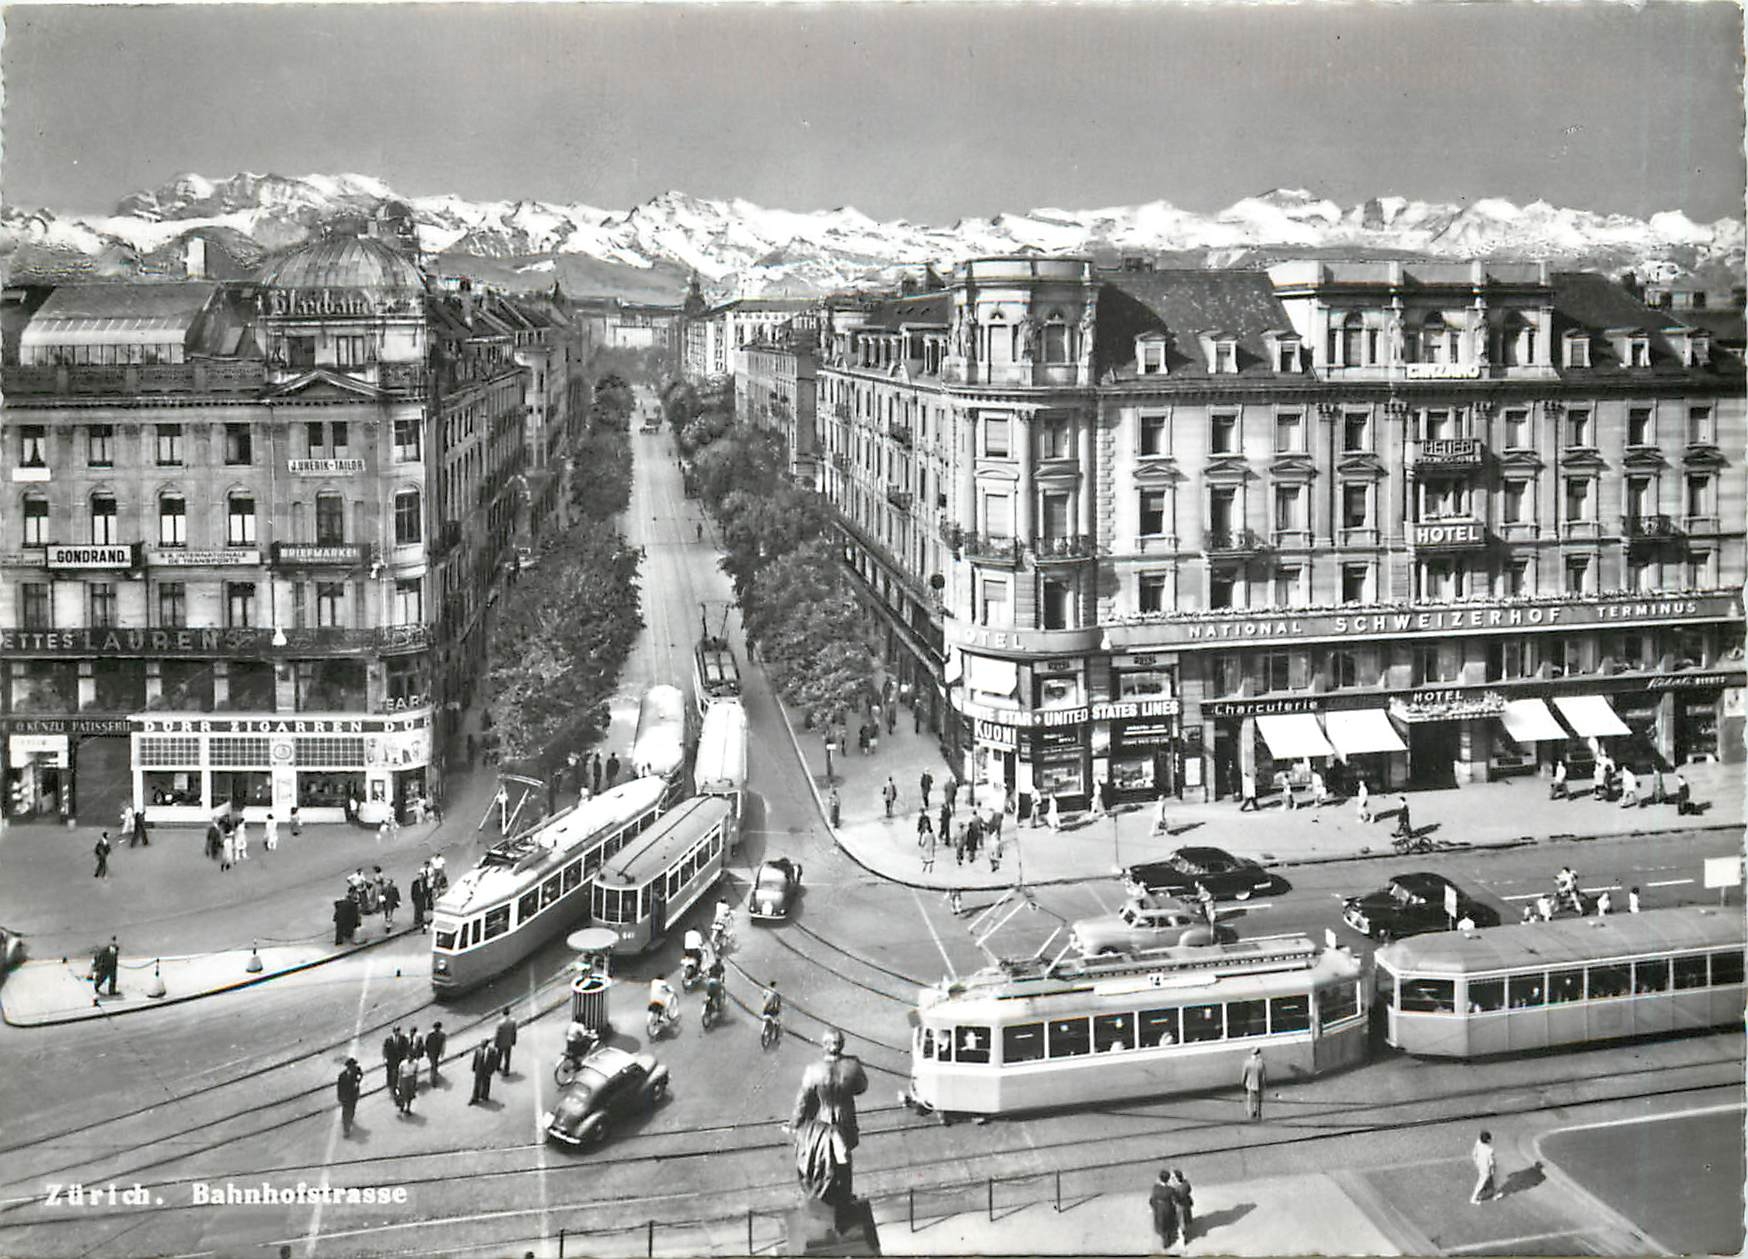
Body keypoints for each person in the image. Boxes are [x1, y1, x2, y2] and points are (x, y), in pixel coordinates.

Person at [787, 1028, 868, 1214]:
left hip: (823, 1121)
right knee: (845, 1161)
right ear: (842, 1045)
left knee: (824, 1161)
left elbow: (803, 1099)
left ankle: (825, 1201)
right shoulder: (853, 1066)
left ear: (824, 1045)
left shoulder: (813, 1070)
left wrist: (795, 1123)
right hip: (846, 1120)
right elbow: (861, 1087)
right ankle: (845, 1200)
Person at [1149, 1169, 1180, 1252]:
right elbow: (1176, 1198)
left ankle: (1165, 1239)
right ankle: (1168, 1238)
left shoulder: (1156, 1188)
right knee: (1169, 1223)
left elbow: (1152, 1199)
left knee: (1161, 1223)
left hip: (1159, 1207)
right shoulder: (1170, 1189)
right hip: (1168, 1207)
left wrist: (1154, 1206)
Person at [337, 1058, 364, 1136]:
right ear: (348, 1067)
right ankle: (346, 1129)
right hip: (345, 1096)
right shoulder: (342, 1076)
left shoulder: (357, 1071)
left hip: (353, 1095)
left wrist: (358, 1081)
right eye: (351, 1066)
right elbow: (339, 1087)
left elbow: (360, 1075)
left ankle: (350, 1119)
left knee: (352, 1109)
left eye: (354, 1065)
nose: (353, 1067)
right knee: (345, 1111)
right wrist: (340, 1097)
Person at [1470, 1130, 1497, 1204]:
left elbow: (1474, 1153)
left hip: (1479, 1165)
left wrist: (1476, 1161)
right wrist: (1493, 1169)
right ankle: (1474, 1198)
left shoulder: (1478, 1143)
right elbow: (1491, 1162)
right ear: (1488, 1140)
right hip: (1486, 1168)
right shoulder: (1489, 1150)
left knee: (1491, 1180)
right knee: (1482, 1182)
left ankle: (1494, 1194)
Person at [1241, 1047, 1266, 1121]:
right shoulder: (1261, 1063)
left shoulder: (1247, 1063)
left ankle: (1250, 1113)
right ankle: (1258, 1113)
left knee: (1250, 1100)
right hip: (1259, 1084)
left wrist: (1243, 1083)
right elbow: (1264, 1076)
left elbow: (1244, 1075)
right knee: (1258, 1100)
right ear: (1258, 1054)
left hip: (1250, 1084)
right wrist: (1264, 1085)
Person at [1170, 1169, 1195, 1244]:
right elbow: (1189, 1190)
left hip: (1180, 1206)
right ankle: (1185, 1232)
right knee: (1185, 1219)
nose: (1172, 1179)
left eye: (1173, 1178)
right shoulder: (1186, 1184)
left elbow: (1175, 1199)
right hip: (1186, 1203)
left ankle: (1183, 1238)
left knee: (1181, 1221)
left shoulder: (1176, 1188)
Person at [494, 1007, 518, 1075]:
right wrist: (514, 1041)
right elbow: (514, 1032)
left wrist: (496, 1043)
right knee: (507, 1057)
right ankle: (506, 1070)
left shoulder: (500, 1023)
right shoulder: (513, 1021)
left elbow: (498, 1034)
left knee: (499, 1054)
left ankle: (497, 1066)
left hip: (501, 1042)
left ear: (502, 1013)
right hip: (509, 1041)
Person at [383, 1026, 405, 1094]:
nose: (397, 1033)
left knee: (398, 1073)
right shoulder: (388, 1039)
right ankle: (391, 1085)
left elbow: (406, 1047)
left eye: (398, 1031)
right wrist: (385, 1058)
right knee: (390, 1073)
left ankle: (398, 1086)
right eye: (396, 1031)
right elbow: (385, 1049)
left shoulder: (403, 1038)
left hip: (400, 1059)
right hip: (391, 1059)